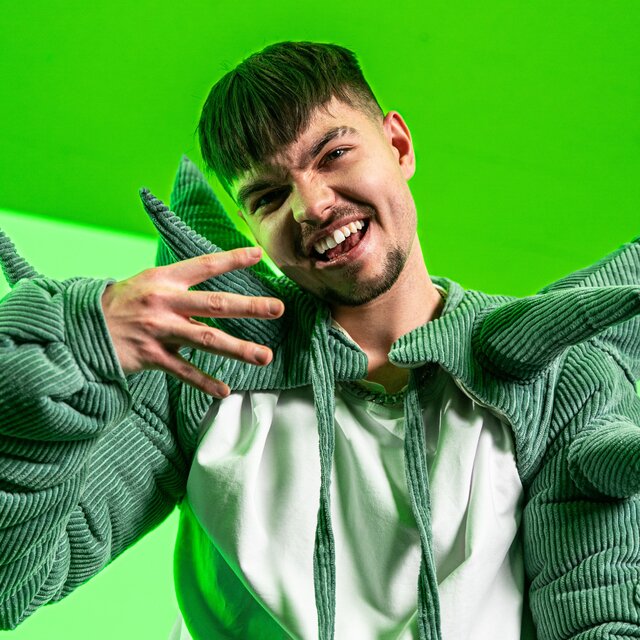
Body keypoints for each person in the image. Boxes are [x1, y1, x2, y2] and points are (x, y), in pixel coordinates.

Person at [0, 40, 638, 640]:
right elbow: (13, 580)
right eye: (268, 196)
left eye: (333, 154)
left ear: (398, 145)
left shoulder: (561, 381)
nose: (311, 205)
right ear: (250, 224)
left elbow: (594, 610)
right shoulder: (196, 374)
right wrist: (67, 353)